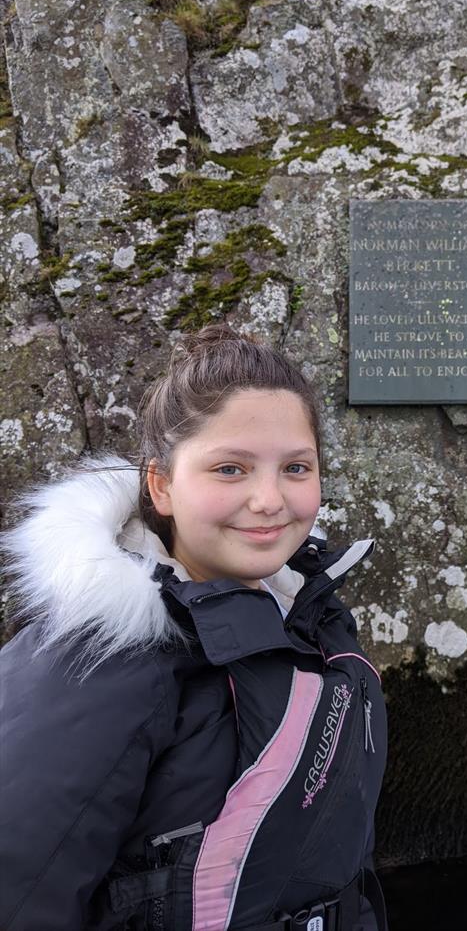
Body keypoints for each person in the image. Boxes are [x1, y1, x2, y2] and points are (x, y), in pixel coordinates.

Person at [0, 325, 388, 931]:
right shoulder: (101, 657)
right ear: (162, 484)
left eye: (295, 467)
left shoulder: (316, 622)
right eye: (230, 469)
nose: (269, 499)